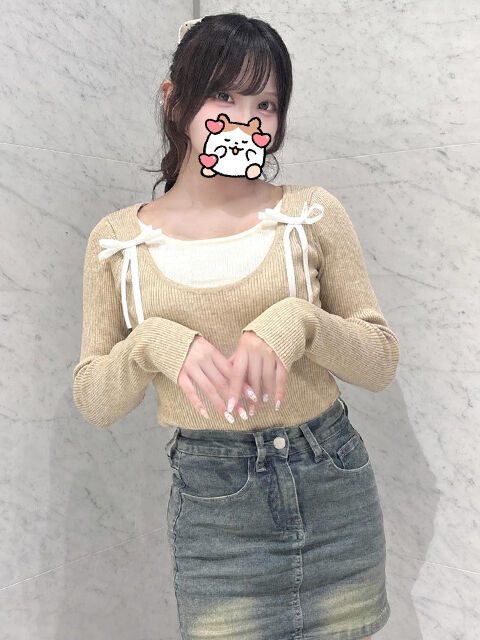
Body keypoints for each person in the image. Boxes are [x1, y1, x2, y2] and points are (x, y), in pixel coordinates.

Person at [72, 12, 400, 640]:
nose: (246, 120)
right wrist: (151, 343)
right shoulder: (118, 242)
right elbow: (95, 400)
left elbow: (379, 362)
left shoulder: (310, 214)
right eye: (224, 95)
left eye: (265, 103)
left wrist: (300, 321)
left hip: (332, 481)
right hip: (215, 510)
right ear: (175, 101)